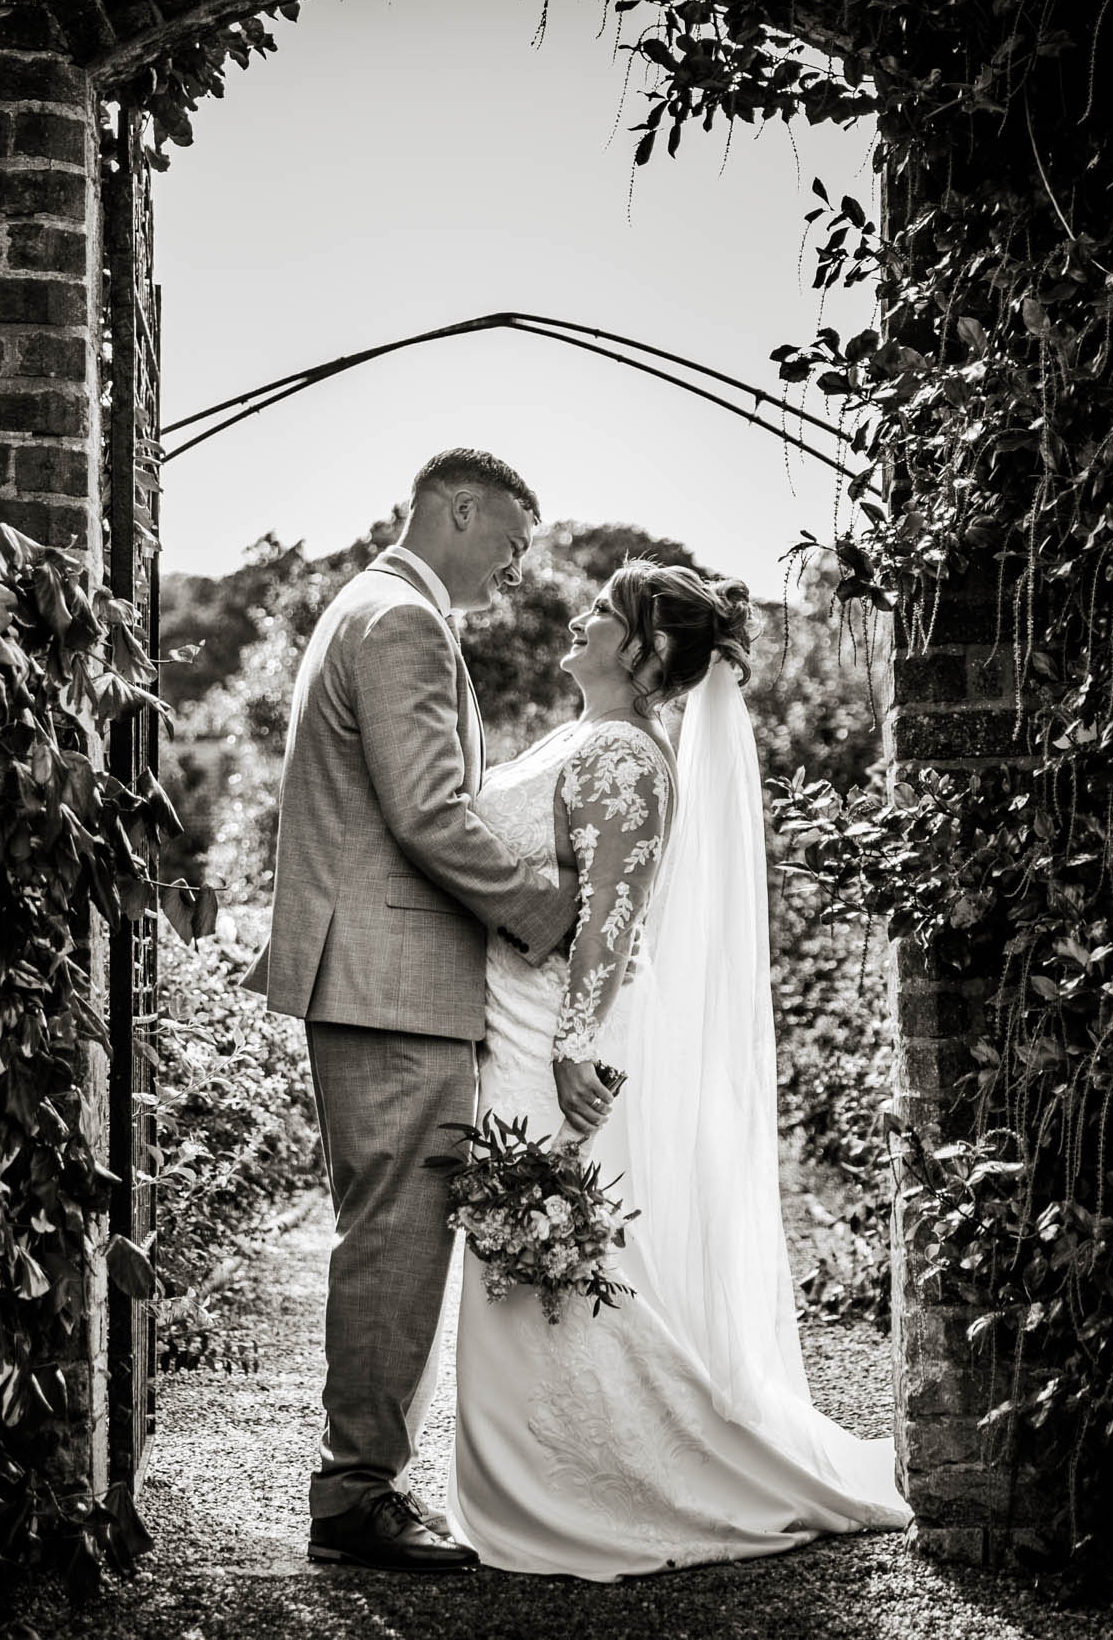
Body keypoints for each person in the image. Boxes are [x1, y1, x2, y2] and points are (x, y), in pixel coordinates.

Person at [450, 559, 913, 1578]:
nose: (579, 619)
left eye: (601, 612)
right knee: (547, 1239)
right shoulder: (588, 735)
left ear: (646, 649)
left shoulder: (624, 753)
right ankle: (544, 1468)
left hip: (559, 1036)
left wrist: (571, 1044)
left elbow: (611, 913)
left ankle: (589, 1478)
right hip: (521, 1015)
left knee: (560, 1240)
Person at [243, 448, 581, 1573]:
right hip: (391, 978)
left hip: (378, 974)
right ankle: (353, 1493)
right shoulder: (400, 621)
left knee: (385, 1226)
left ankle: (360, 1479)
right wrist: (541, 910)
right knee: (394, 1235)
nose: (516, 570)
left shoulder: (370, 604)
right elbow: (431, 812)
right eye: (512, 543)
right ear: (459, 508)